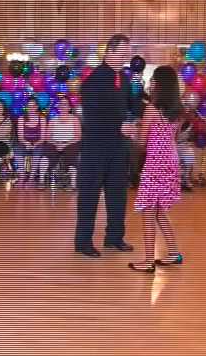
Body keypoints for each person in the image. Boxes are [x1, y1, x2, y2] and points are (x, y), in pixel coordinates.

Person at [75, 34, 137, 258]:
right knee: (89, 195)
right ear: (109, 51)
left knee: (118, 194)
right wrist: (118, 126)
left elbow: (132, 107)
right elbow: (92, 114)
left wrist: (132, 122)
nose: (126, 56)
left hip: (118, 147)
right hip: (96, 147)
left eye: (128, 53)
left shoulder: (125, 79)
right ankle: (83, 242)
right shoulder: (95, 79)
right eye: (123, 52)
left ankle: (114, 237)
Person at [129, 66, 184, 272]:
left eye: (153, 79)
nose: (151, 82)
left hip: (155, 164)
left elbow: (143, 141)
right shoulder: (178, 111)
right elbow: (172, 138)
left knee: (148, 211)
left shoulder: (151, 109)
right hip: (171, 162)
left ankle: (149, 260)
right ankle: (173, 253)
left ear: (161, 84)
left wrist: (132, 131)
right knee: (160, 211)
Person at [38, 96, 81, 191]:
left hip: (71, 143)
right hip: (54, 143)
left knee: (71, 156)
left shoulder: (75, 119)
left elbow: (78, 137)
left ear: (69, 107)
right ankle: (41, 181)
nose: (63, 106)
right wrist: (56, 143)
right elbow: (47, 137)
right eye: (61, 104)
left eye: (65, 104)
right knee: (45, 156)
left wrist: (65, 144)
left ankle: (72, 184)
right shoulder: (53, 120)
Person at [14, 98, 46, 187]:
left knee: (38, 150)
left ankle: (31, 178)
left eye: (33, 106)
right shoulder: (21, 119)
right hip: (24, 142)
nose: (31, 108)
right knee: (17, 148)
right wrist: (27, 143)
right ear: (26, 107)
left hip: (38, 142)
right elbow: (20, 137)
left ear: (36, 107)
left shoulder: (42, 119)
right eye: (29, 106)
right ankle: (22, 176)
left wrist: (34, 144)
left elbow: (43, 137)